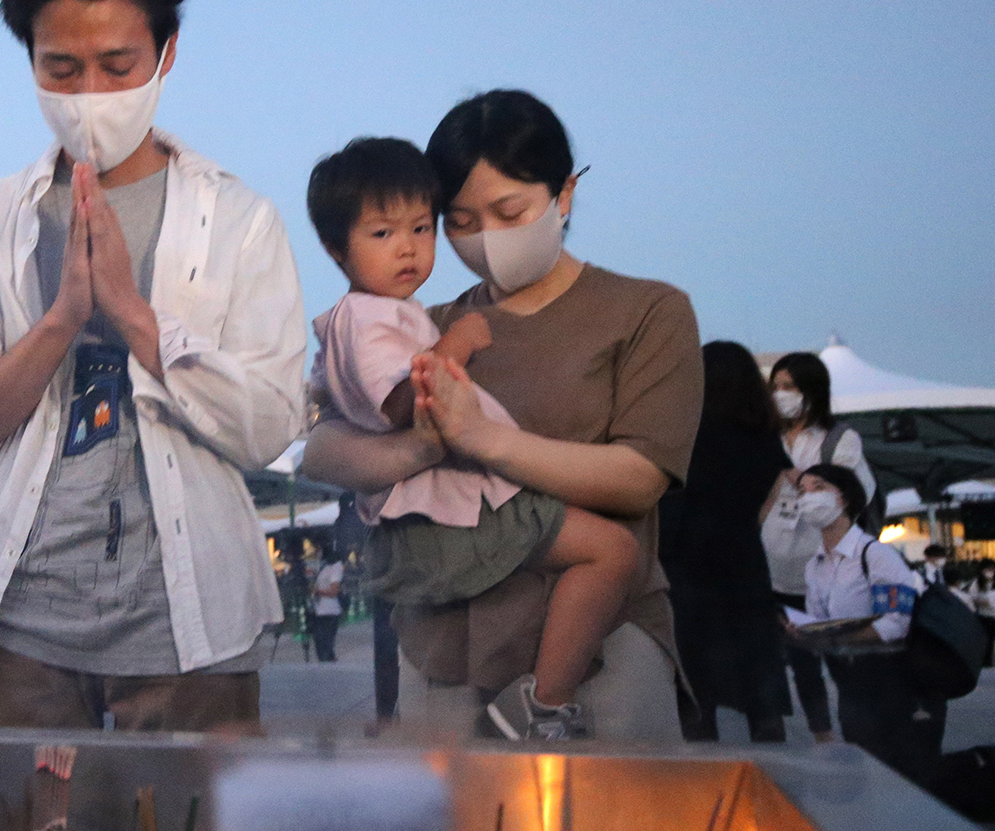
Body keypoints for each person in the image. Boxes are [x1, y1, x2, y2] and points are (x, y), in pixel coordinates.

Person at [0, 0, 305, 732]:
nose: (90, 93)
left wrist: (133, 315)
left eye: (118, 65)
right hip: (19, 620)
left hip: (191, 620)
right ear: (29, 60)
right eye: (62, 68)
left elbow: (270, 425)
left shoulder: (241, 221)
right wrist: (59, 322)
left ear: (167, 55)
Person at [303, 89, 703, 742]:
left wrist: (480, 438)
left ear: (564, 194)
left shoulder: (646, 312)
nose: (484, 238)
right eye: (459, 221)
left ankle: (545, 700)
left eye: (508, 211)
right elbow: (322, 452)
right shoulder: (423, 327)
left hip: (600, 652)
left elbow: (639, 479)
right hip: (447, 647)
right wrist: (423, 447)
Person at [787, 464, 995, 823]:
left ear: (844, 498)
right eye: (802, 491)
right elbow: (824, 628)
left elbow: (895, 624)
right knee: (883, 782)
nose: (807, 497)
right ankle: (992, 760)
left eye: (818, 487)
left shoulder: (875, 556)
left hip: (903, 682)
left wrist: (835, 634)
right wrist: (805, 634)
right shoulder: (815, 567)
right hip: (856, 686)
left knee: (911, 787)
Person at [661, 341, 793, 743]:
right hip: (744, 559)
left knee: (696, 676)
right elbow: (766, 503)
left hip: (687, 561)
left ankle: (705, 770)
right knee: (757, 665)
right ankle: (772, 757)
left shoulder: (684, 433)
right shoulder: (766, 437)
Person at [762, 352, 876, 745]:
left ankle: (861, 737)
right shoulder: (766, 437)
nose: (781, 395)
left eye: (790, 387)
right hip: (773, 563)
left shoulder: (838, 439)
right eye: (776, 387)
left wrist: (789, 471)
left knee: (840, 658)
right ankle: (822, 737)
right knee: (798, 661)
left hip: (824, 564)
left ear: (813, 390)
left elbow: (845, 487)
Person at [308, 555, 346, 663]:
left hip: (330, 611)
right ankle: (327, 663)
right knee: (320, 645)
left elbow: (334, 591)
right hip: (318, 611)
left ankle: (329, 664)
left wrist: (317, 592)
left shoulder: (335, 566)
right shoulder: (323, 566)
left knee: (326, 645)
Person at [966, 560, 995, 666]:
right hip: (985, 616)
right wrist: (987, 602)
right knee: (987, 643)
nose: (991, 571)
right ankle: (987, 664)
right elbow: (973, 598)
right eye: (988, 569)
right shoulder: (977, 583)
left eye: (992, 569)